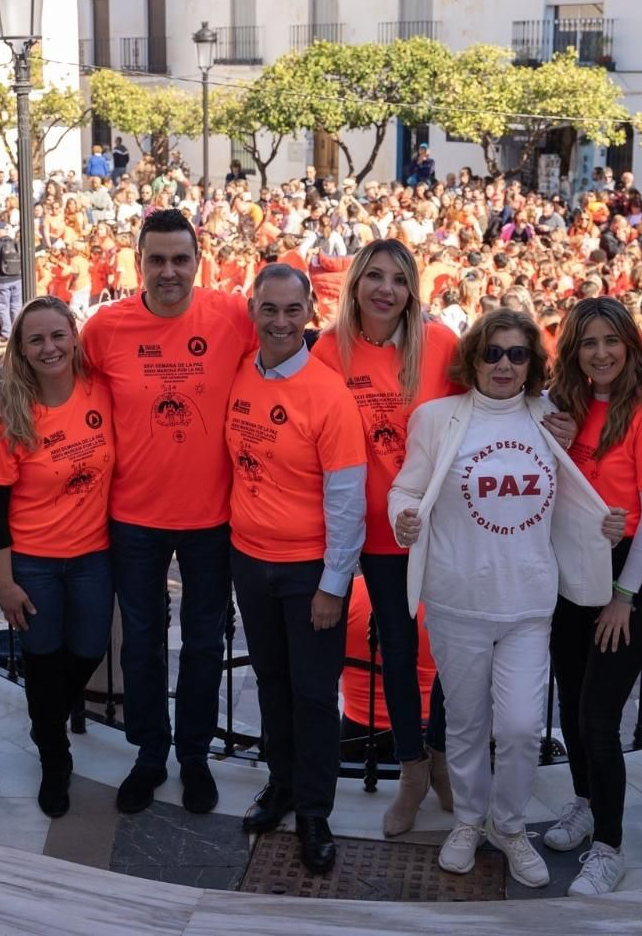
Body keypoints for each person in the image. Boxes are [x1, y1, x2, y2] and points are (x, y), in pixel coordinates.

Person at [388, 308, 618, 890]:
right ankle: (468, 820)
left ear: (532, 365)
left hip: (529, 604)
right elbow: (406, 488)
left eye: (518, 354)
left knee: (518, 727)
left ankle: (509, 826)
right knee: (466, 725)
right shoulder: (436, 419)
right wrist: (404, 519)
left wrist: (608, 526)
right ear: (473, 359)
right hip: (457, 600)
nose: (504, 365)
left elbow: (579, 496)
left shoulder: (551, 419)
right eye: (493, 353)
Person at [77, 209, 255, 816]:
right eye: (157, 259)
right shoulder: (104, 328)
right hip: (133, 516)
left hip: (213, 518)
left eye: (181, 259)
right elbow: (55, 380)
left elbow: (286, 365)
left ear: (197, 261)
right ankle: (150, 754)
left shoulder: (232, 315)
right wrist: (1, 388)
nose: (169, 271)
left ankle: (195, 756)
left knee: (205, 643)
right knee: (142, 642)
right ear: (138, 262)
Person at [310, 239, 458, 836]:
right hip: (371, 530)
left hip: (443, 524)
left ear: (412, 290)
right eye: (374, 276)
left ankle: (444, 751)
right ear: (355, 284)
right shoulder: (326, 351)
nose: (385, 290)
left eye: (398, 279)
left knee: (454, 646)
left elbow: (501, 397)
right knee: (396, 651)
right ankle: (412, 770)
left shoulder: (442, 345)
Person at [226, 263, 366, 874]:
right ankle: (280, 783)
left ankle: (313, 809)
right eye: (269, 309)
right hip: (250, 562)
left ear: (310, 312)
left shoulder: (328, 393)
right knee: (272, 683)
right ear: (252, 310)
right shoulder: (239, 375)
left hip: (309, 571)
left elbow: (348, 498)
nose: (280, 322)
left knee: (312, 695)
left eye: (292, 311)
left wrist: (334, 584)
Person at [544, 297, 642, 895]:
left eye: (610, 341)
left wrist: (625, 596)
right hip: (572, 565)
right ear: (573, 351)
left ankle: (610, 845)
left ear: (629, 344)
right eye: (588, 342)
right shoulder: (565, 408)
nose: (600, 353)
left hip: (627, 573)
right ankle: (585, 800)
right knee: (572, 700)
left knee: (600, 714)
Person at [0, 296, 114, 819]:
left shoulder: (99, 389)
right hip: (33, 560)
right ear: (20, 348)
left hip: (92, 556)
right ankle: (54, 759)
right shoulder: (8, 412)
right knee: (42, 656)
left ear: (74, 337)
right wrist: (4, 584)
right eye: (36, 339)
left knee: (87, 648)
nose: (49, 347)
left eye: (58, 335)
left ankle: (45, 722)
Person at [0, 224, 23, 340]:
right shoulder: (16, 243)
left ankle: (6, 333)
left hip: (3, 280)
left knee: (4, 307)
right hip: (17, 278)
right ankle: (18, 331)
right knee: (16, 306)